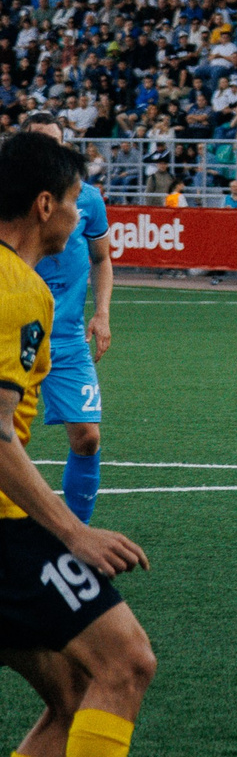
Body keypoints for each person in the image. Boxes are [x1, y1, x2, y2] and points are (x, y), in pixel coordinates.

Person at [0, 132, 156, 757]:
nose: (76, 214)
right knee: (126, 663)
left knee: (72, 696)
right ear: (43, 206)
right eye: (70, 201)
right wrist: (73, 532)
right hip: (4, 530)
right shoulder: (18, 290)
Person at [22, 114, 111, 524]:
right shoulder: (9, 198)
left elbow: (101, 258)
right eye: (39, 142)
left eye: (54, 142)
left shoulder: (87, 199)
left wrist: (102, 313)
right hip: (15, 331)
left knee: (87, 437)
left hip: (67, 338)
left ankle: (76, 535)